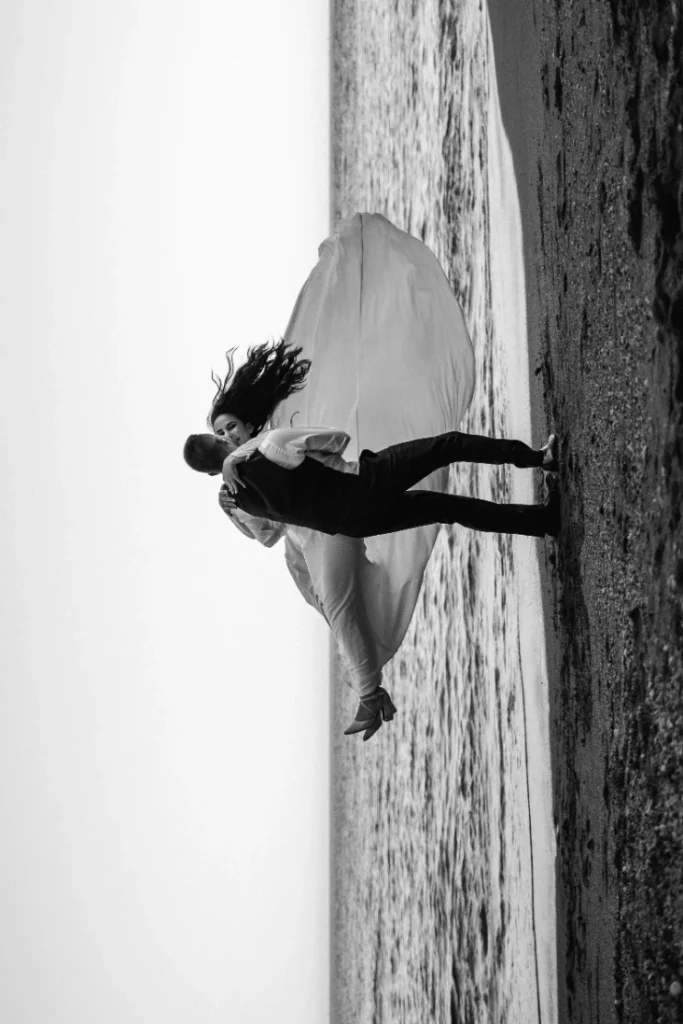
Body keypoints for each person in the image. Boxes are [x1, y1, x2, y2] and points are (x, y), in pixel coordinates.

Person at [186, 213, 559, 740]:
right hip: (331, 518)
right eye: (220, 433)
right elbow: (271, 530)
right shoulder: (249, 470)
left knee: (428, 524)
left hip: (340, 513)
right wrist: (247, 508)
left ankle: (542, 515)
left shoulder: (263, 443)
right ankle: (370, 691)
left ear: (240, 418)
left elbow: (324, 416)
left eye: (227, 426)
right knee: (344, 605)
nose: (226, 435)